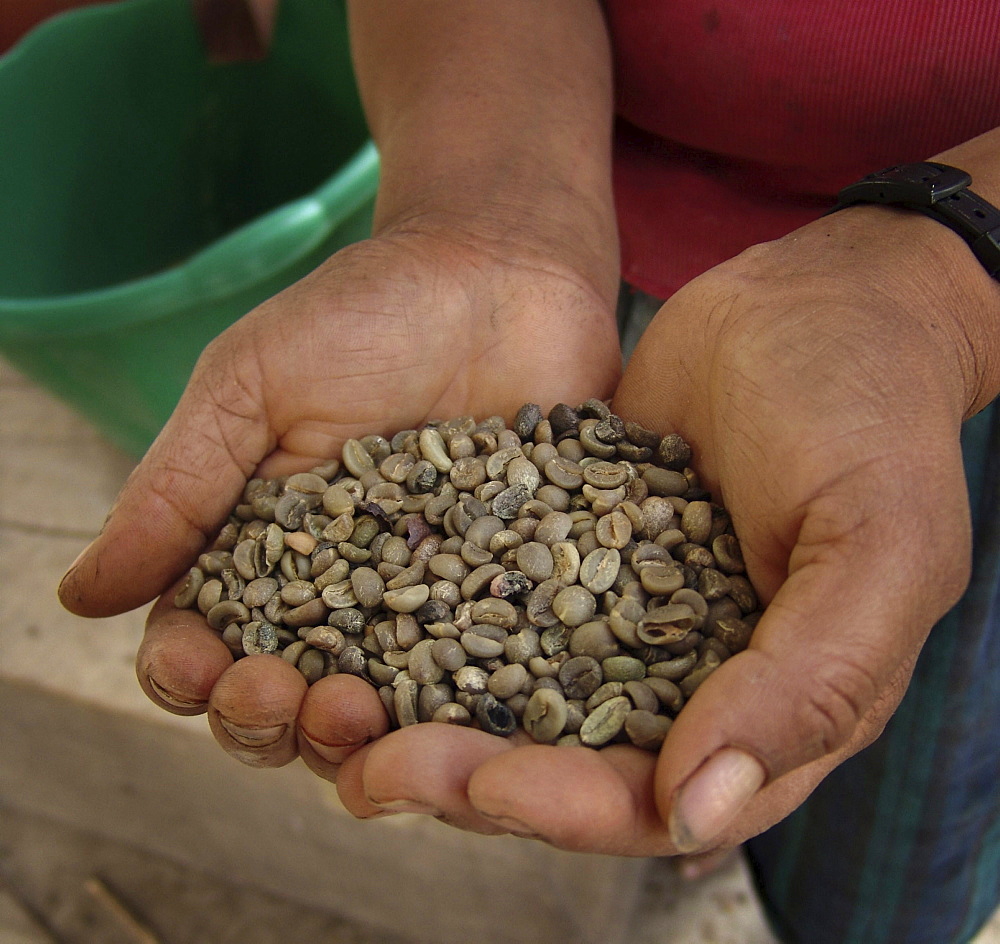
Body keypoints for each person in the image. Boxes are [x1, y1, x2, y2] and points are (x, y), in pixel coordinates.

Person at [58, 3, 1000, 942]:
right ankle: (705, 801)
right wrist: (487, 211)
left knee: (894, 773)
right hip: (592, 232)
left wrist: (942, 283)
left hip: (930, 333)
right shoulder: (561, 451)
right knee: (731, 701)